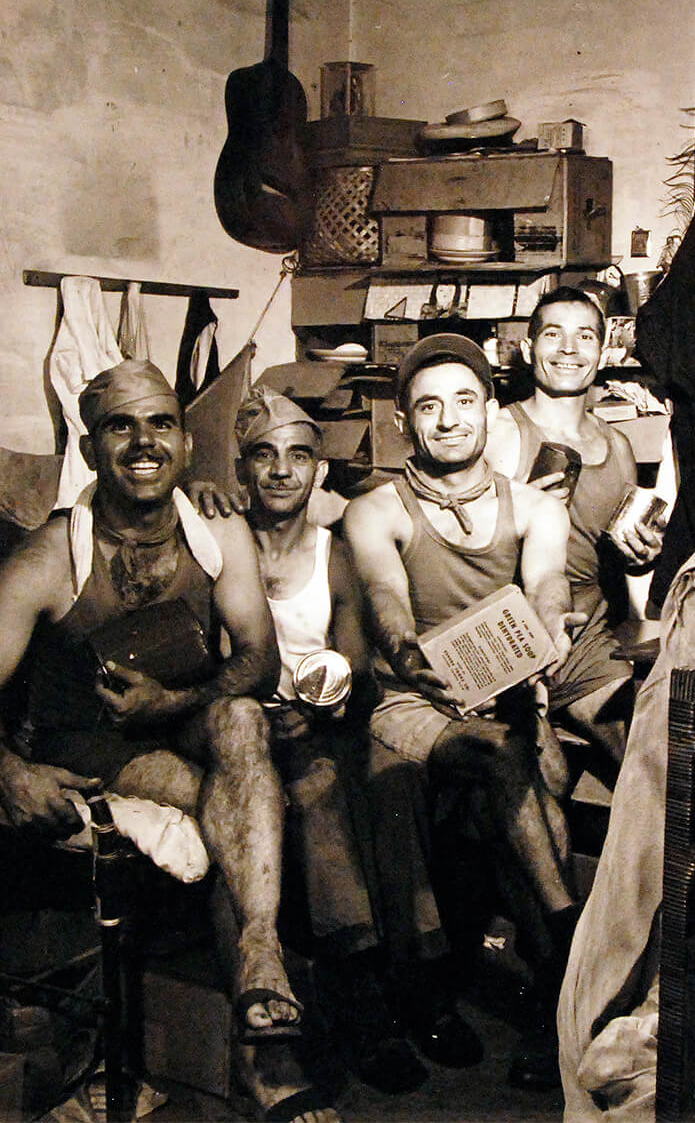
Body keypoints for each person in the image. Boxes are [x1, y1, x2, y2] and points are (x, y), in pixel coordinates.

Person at [0, 359, 337, 1123]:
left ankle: (257, 951)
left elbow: (258, 659)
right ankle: (267, 1065)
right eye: (120, 425)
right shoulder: (50, 559)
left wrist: (173, 699)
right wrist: (11, 770)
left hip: (184, 716)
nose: (143, 442)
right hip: (91, 743)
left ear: (186, 443)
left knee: (243, 717)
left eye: (160, 423)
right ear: (90, 450)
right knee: (233, 819)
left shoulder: (216, 529)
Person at [341, 333, 587, 1088]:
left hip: (507, 695)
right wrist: (411, 654)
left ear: (489, 411)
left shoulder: (535, 506)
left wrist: (548, 630)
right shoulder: (375, 508)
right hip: (410, 703)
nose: (448, 420)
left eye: (464, 401)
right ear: (406, 424)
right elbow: (385, 597)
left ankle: (555, 985)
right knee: (501, 757)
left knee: (523, 763)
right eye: (428, 407)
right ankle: (566, 953)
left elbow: (547, 584)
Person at [224, 387, 482, 1090]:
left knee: (391, 783)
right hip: (246, 733)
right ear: (241, 471)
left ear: (317, 472)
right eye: (263, 457)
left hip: (328, 722)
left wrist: (325, 703)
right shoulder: (218, 543)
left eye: (299, 456)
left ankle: (421, 988)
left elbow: (356, 662)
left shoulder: (333, 551)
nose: (281, 472)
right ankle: (363, 1002)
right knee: (319, 798)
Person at [483, 285, 664, 769]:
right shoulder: (502, 431)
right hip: (510, 631)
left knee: (647, 748)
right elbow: (464, 551)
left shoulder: (618, 445)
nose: (568, 349)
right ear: (528, 349)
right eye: (553, 335)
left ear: (603, 352)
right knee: (540, 782)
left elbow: (621, 561)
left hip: (587, 635)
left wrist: (640, 554)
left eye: (584, 336)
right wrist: (525, 510)